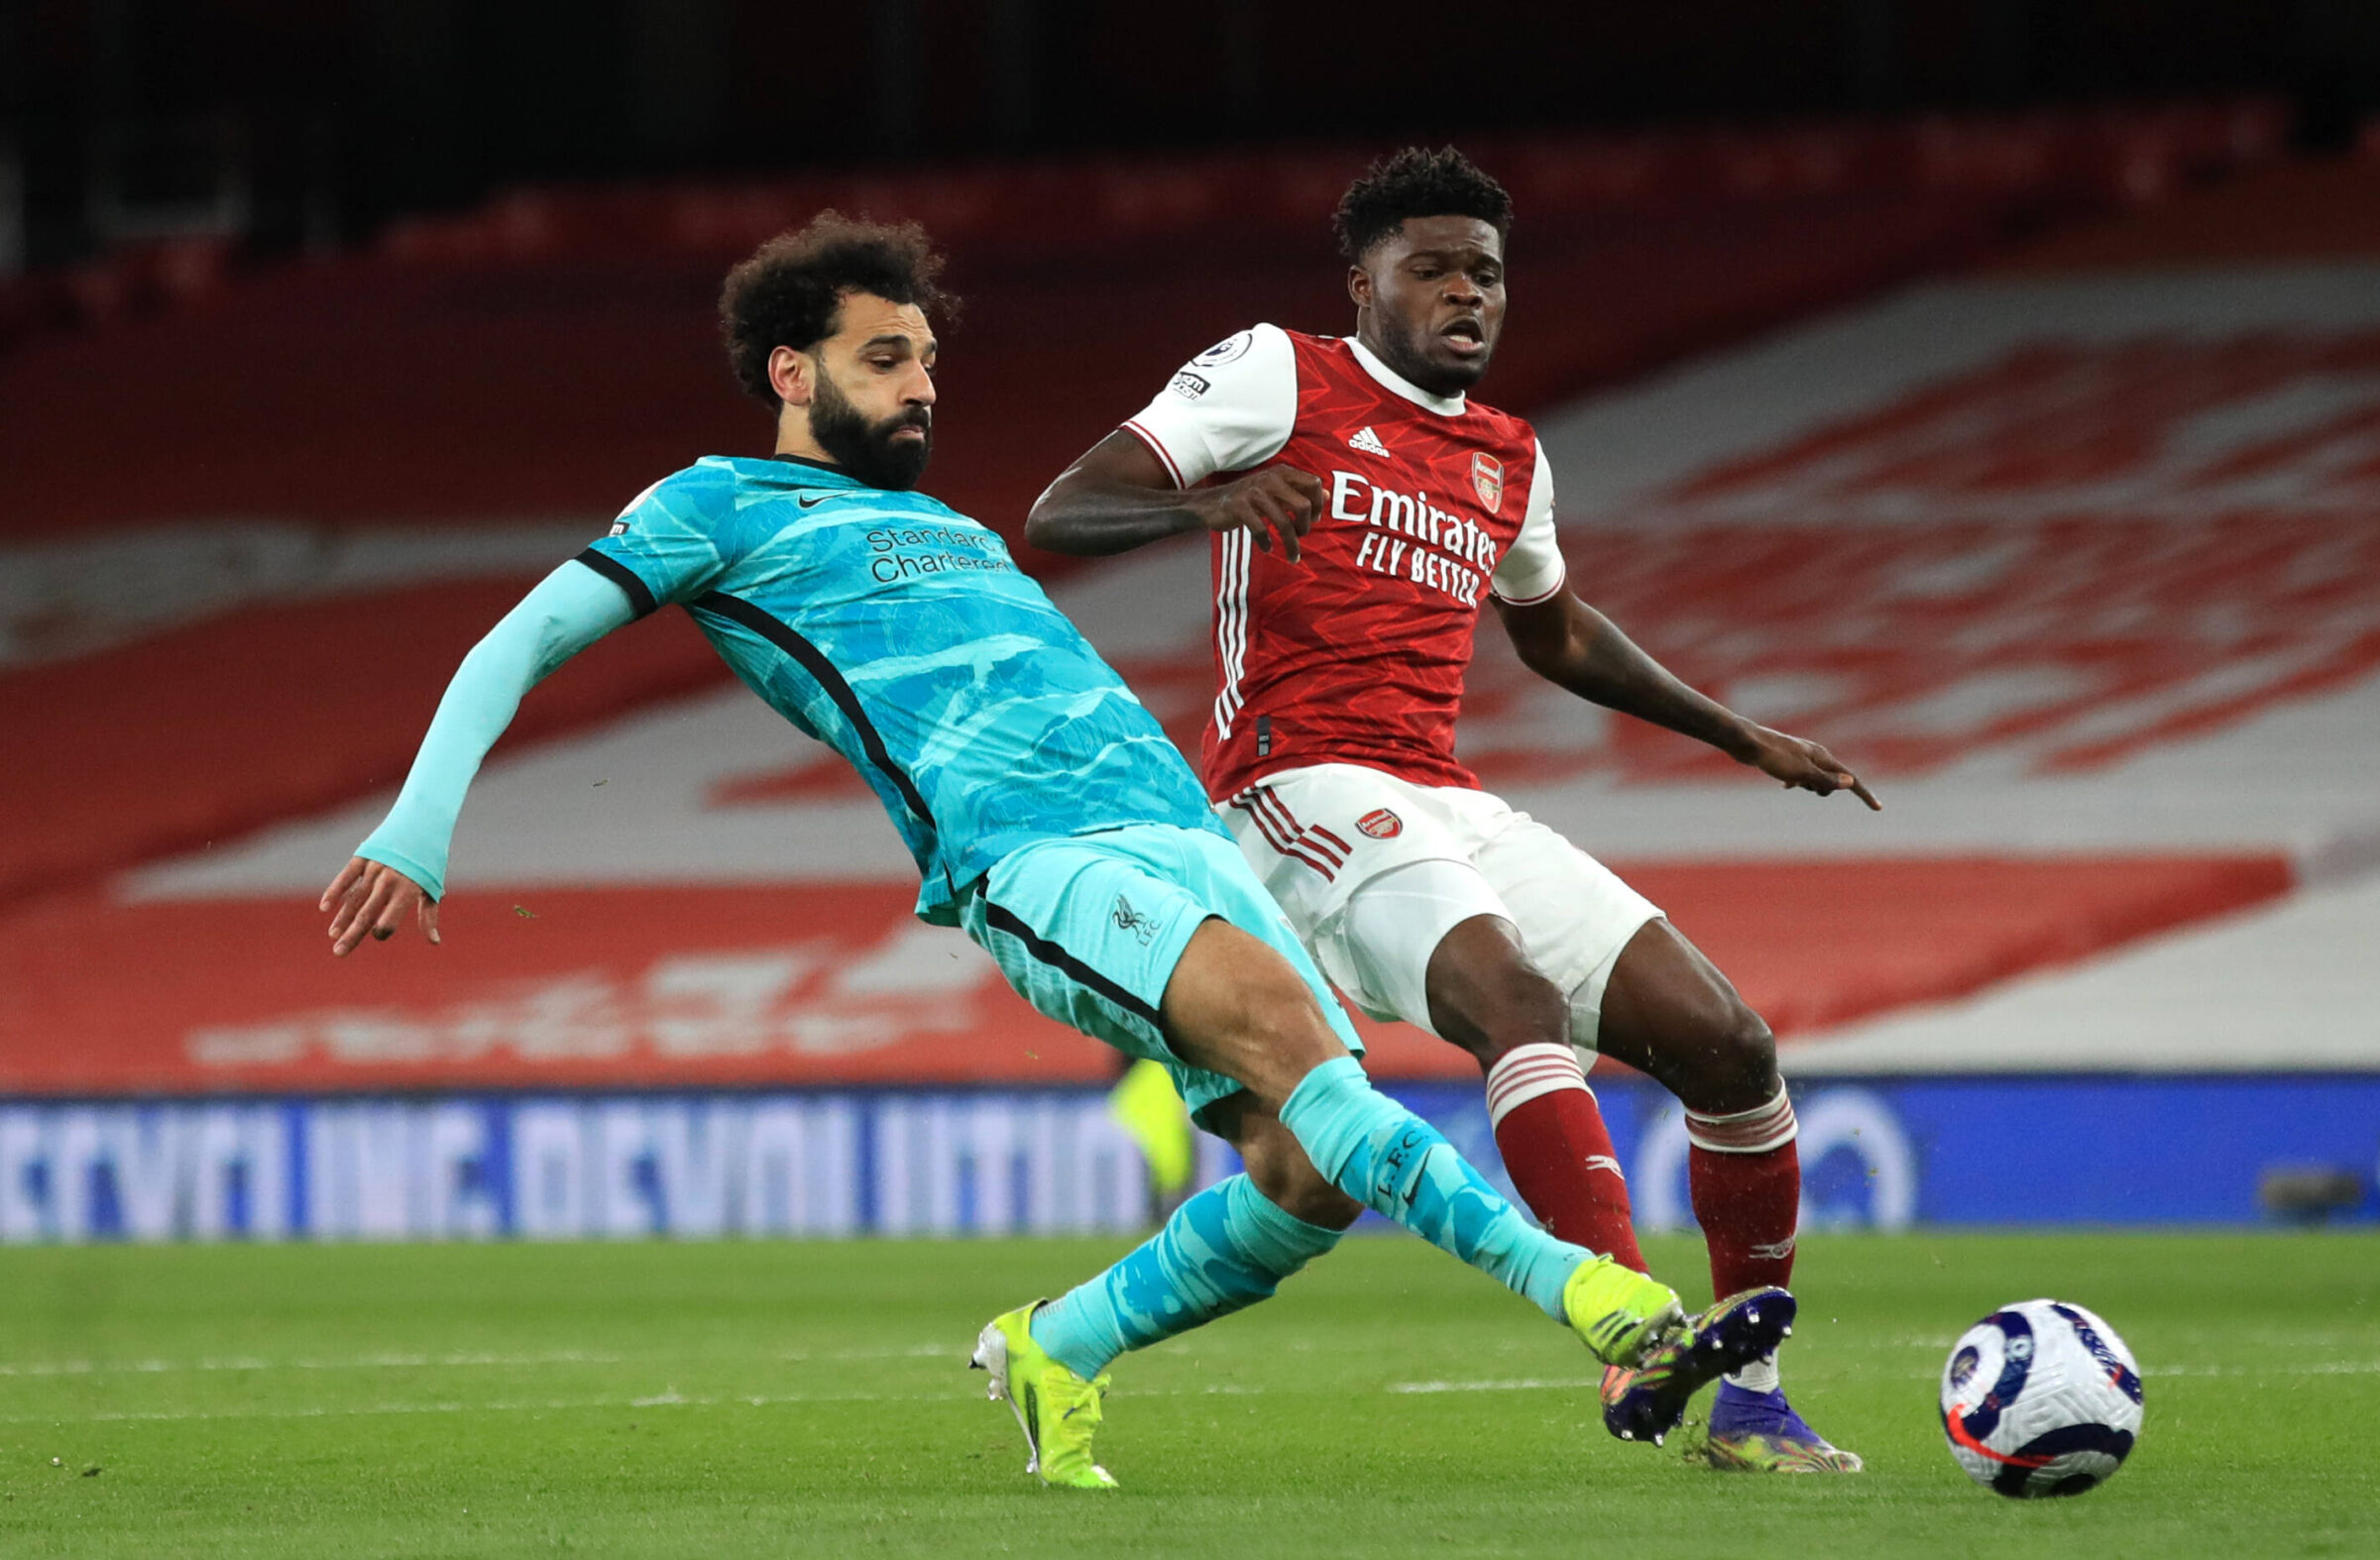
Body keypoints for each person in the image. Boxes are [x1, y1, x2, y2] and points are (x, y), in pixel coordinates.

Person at [316, 213, 1791, 1490]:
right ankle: (1603, 1304)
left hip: (1179, 834)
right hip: (1037, 859)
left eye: (929, 361)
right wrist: (419, 825)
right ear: (791, 370)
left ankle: (1055, 1343)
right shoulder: (715, 505)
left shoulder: (942, 521)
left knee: (1306, 1170)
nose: (921, 385)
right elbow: (528, 634)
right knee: (1308, 1058)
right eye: (885, 357)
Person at [1026, 149, 1875, 1472]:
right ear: (1360, 282)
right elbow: (1062, 508)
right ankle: (1626, 1330)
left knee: (1730, 1043)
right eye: (1430, 268)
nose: (1466, 292)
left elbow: (1560, 635)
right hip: (1293, 784)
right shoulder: (1277, 373)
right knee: (1515, 1001)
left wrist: (1740, 732)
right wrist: (1210, 499)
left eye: (1485, 271)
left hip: (1440, 793)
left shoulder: (1506, 454)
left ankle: (1753, 1399)